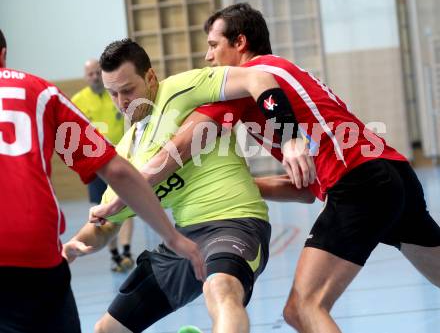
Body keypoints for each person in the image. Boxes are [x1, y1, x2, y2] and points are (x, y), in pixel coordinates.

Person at [165, 3, 440, 333]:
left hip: (359, 182)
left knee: (303, 308)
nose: (208, 57)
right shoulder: (287, 73)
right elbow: (305, 190)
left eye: (213, 45)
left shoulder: (248, 79)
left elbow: (182, 145)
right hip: (392, 176)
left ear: (239, 43)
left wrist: (135, 185)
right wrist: (240, 188)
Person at [65, 38, 314, 333]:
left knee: (221, 288)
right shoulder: (127, 152)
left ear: (150, 78)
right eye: (113, 94)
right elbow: (105, 225)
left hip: (234, 223)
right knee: (107, 330)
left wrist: (290, 138)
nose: (122, 103)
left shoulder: (181, 90)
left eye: (128, 90)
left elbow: (258, 78)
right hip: (184, 241)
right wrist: (73, 247)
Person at [0, 29, 205, 333]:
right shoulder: (38, 91)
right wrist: (173, 238)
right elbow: (118, 172)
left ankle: (118, 252)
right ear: (4, 54)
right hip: (30, 249)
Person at [72, 58, 135, 272]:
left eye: (97, 72)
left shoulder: (116, 95)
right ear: (85, 77)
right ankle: (115, 255)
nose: (94, 77)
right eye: (90, 73)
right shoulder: (78, 101)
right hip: (97, 165)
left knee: (129, 204)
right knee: (103, 210)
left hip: (124, 159)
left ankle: (126, 251)